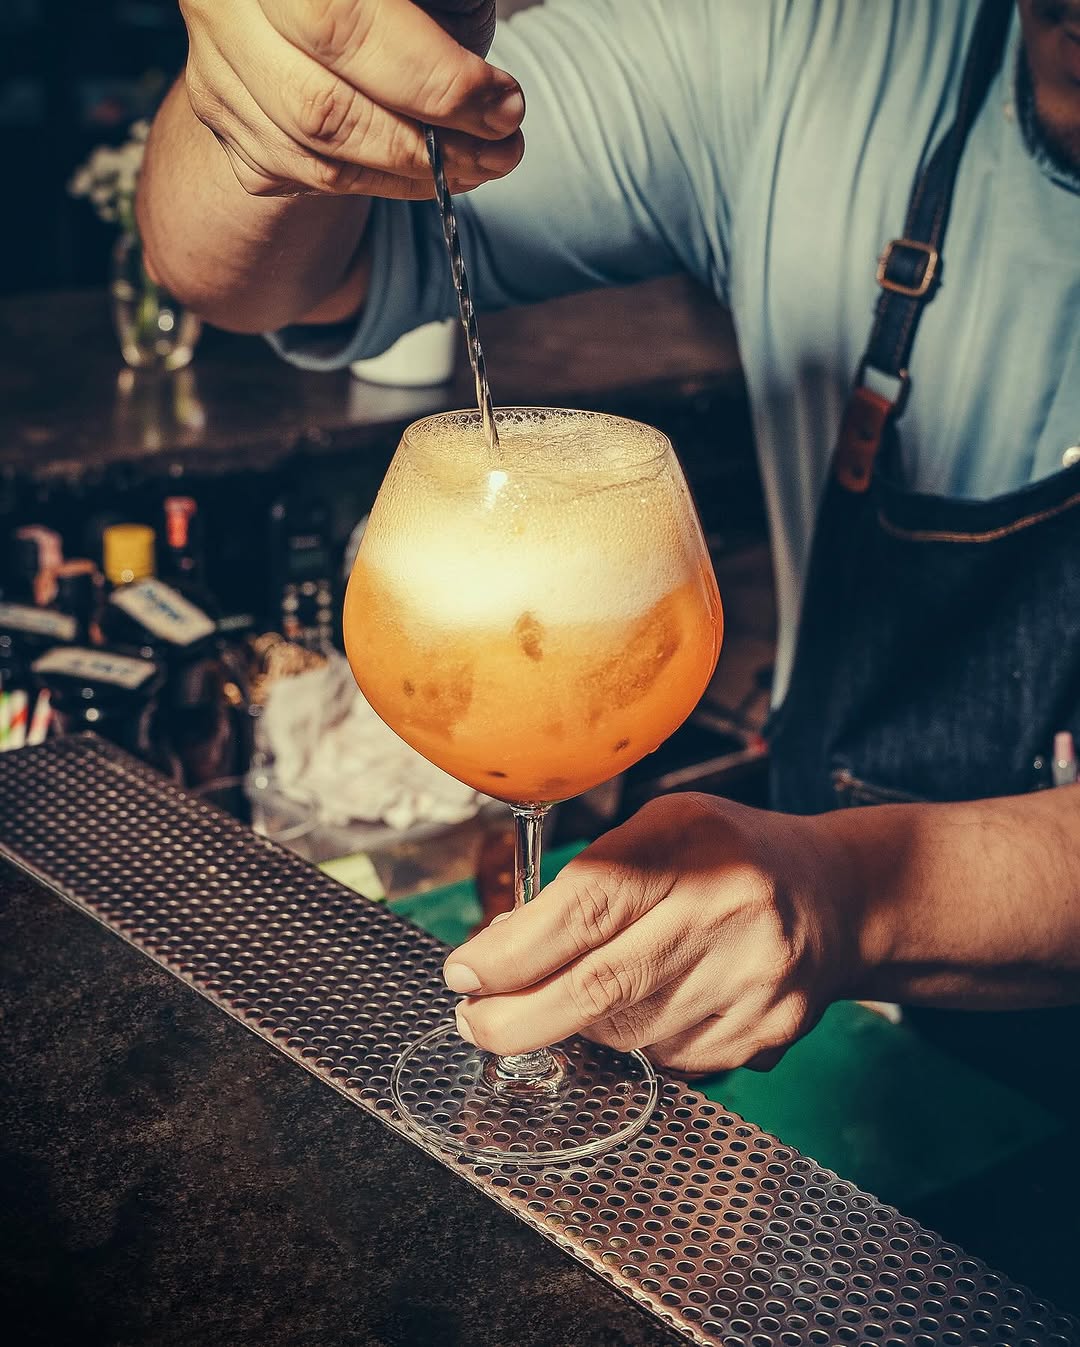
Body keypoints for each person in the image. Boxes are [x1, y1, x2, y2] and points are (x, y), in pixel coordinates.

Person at [139, 0, 1080, 1083]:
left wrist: (853, 892)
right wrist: (256, 100)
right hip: (825, 1009)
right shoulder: (815, 44)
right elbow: (241, 270)